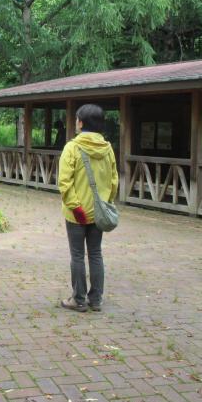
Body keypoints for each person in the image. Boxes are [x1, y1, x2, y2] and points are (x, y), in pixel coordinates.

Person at [57, 104, 118, 312]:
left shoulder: (72, 147)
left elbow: (65, 182)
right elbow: (114, 180)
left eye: (76, 119)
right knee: (95, 253)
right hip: (99, 212)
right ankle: (96, 300)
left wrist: (75, 206)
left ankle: (79, 299)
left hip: (77, 214)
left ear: (81, 123)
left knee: (77, 255)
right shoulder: (107, 148)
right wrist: (106, 202)